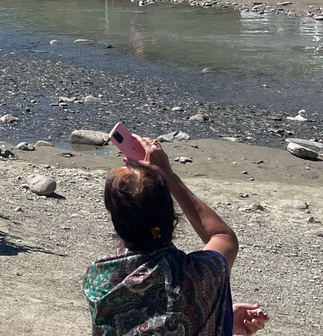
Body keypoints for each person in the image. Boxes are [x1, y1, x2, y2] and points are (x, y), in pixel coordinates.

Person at [84, 133, 269, 335]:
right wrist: (168, 175)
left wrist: (222, 314)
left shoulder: (100, 278)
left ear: (113, 219)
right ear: (171, 215)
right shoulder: (202, 276)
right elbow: (223, 237)